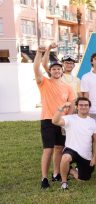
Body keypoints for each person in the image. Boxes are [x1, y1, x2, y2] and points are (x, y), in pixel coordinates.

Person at [34, 46, 76, 188]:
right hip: (47, 120)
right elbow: (36, 68)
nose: (57, 71)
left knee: (59, 148)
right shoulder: (44, 83)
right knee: (48, 149)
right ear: (50, 71)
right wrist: (39, 53)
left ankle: (56, 174)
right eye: (54, 69)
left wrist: (67, 121)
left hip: (61, 122)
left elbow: (72, 104)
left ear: (61, 71)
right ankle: (44, 178)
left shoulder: (68, 87)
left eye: (59, 69)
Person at [52, 97, 96, 190]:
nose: (83, 107)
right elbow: (55, 121)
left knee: (83, 179)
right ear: (77, 107)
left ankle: (71, 170)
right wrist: (62, 108)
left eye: (86, 105)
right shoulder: (70, 119)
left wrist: (94, 157)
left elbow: (95, 141)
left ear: (89, 107)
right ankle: (64, 182)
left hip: (86, 155)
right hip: (71, 149)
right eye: (81, 105)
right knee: (65, 158)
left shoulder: (93, 122)